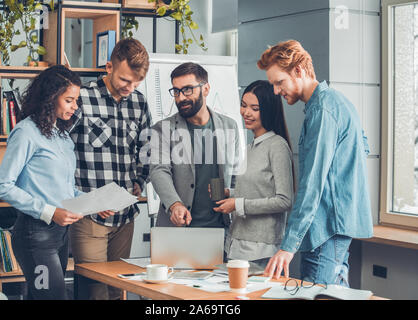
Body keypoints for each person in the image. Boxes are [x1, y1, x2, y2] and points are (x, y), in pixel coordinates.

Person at [258, 40, 373, 286]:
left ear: (298, 71)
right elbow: (362, 146)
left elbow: (311, 185)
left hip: (325, 229)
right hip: (337, 226)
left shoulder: (322, 111)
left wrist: (288, 247)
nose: (277, 91)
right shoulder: (337, 102)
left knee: (318, 293)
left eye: (280, 82)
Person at [69, 38, 152, 300]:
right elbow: (62, 151)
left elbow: (147, 147)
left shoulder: (139, 103)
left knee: (119, 288)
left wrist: (140, 177)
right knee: (93, 291)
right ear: (109, 67)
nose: (131, 87)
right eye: (125, 80)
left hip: (125, 216)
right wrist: (81, 199)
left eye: (137, 82)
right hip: (89, 215)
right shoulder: (82, 98)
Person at [0, 65, 84, 300]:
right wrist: (50, 211)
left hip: (60, 234)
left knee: (41, 297)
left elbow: (63, 186)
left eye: (76, 100)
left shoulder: (61, 136)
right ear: (51, 98)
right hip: (36, 235)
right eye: (69, 100)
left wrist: (90, 203)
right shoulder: (26, 133)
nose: (75, 107)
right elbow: (2, 186)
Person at [150, 62, 241, 233]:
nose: (181, 97)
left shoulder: (230, 126)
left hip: (220, 229)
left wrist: (233, 195)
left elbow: (235, 174)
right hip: (177, 229)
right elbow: (159, 170)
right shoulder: (162, 128)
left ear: (205, 89)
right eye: (176, 91)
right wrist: (174, 204)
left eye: (187, 90)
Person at [212, 80, 294, 269]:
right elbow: (258, 190)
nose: (246, 113)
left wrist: (237, 204)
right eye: (243, 105)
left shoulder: (277, 146)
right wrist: (229, 194)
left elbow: (284, 200)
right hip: (237, 245)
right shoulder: (250, 147)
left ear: (268, 110)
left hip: (261, 251)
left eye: (254, 108)